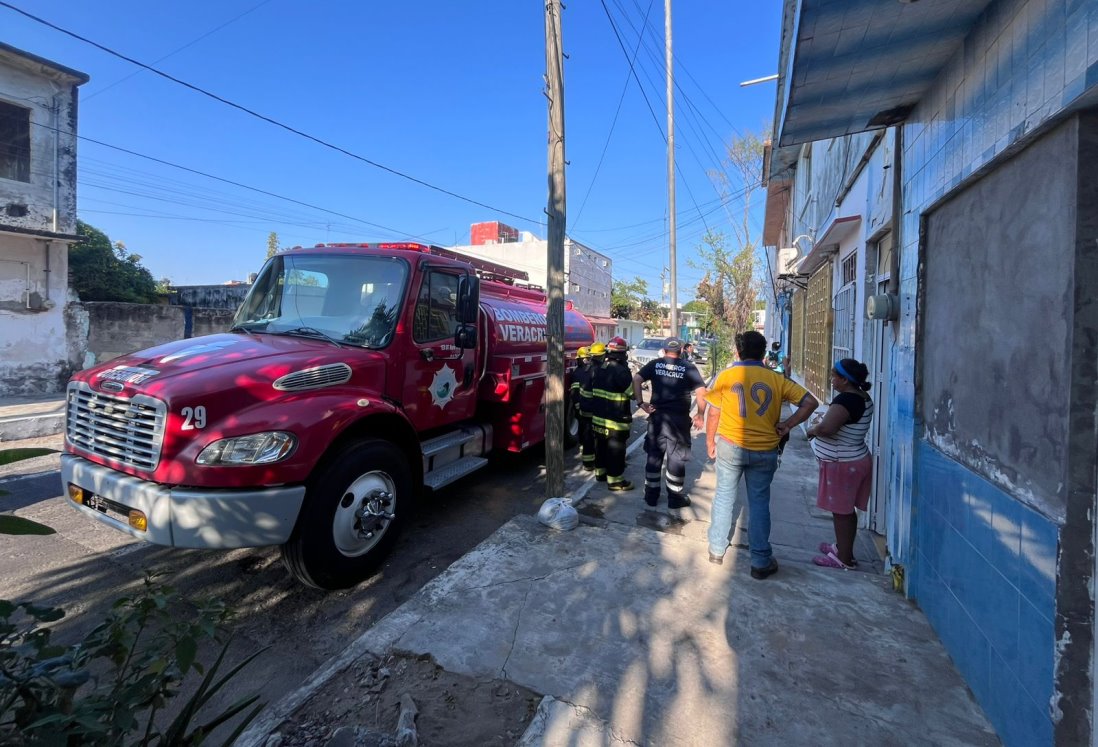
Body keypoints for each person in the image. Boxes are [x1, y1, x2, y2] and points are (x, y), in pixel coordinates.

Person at [705, 330, 819, 578]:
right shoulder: (776, 379)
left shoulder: (726, 376)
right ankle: (760, 561)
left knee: (724, 496)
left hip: (730, 446)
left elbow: (713, 413)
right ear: (763, 353)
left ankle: (716, 550)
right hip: (765, 450)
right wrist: (788, 425)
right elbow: (810, 402)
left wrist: (709, 442)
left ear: (738, 351)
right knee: (758, 503)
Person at [806, 358, 874, 570]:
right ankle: (843, 548)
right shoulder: (862, 397)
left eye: (835, 375)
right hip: (853, 458)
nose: (832, 379)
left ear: (845, 380)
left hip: (843, 462)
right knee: (846, 510)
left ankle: (844, 559)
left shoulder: (846, 400)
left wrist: (813, 430)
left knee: (842, 512)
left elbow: (827, 429)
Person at [633, 338, 707, 509]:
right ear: (681, 350)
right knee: (676, 458)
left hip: (657, 419)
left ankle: (651, 496)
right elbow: (702, 391)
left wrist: (640, 403)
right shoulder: (688, 367)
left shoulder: (655, 364)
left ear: (664, 350)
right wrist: (700, 414)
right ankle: (674, 498)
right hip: (678, 421)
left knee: (654, 455)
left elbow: (636, 379)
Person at [590, 336, 634, 491]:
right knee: (616, 451)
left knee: (600, 447)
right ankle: (615, 481)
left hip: (598, 419)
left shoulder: (599, 368)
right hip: (616, 421)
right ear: (622, 354)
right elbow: (632, 393)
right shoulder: (622, 372)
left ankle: (600, 474)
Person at [570, 346, 596, 472]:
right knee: (589, 435)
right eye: (587, 358)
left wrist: (577, 408)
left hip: (581, 409)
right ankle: (589, 462)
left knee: (583, 434)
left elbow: (574, 393)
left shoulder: (576, 372)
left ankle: (585, 457)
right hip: (589, 409)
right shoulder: (591, 371)